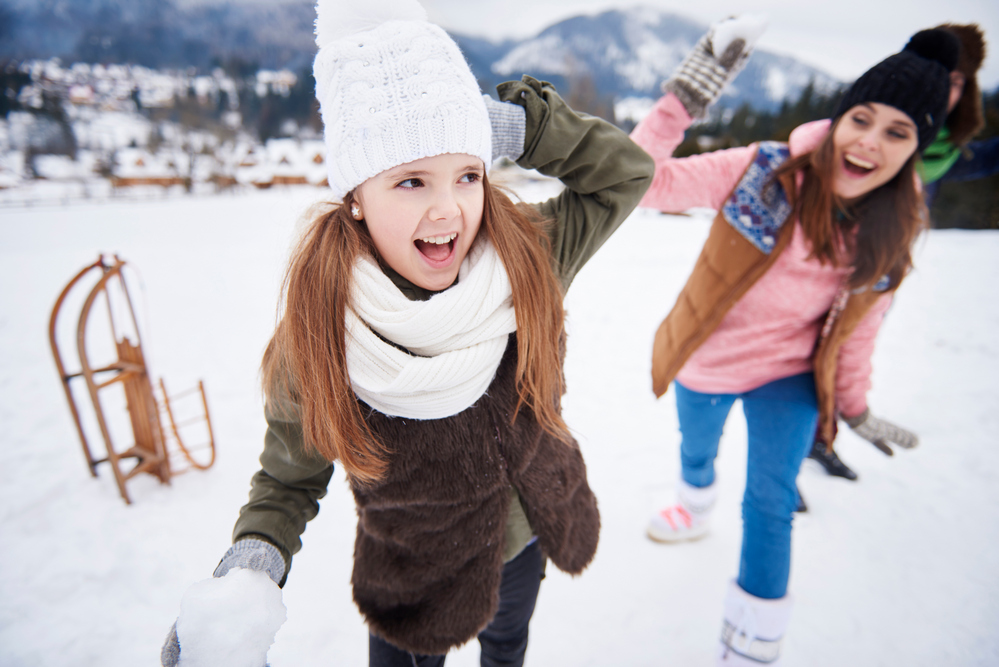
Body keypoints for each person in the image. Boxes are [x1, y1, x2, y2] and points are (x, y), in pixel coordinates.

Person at [159, 1, 654, 665]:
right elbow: (288, 481)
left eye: (467, 174)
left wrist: (514, 125)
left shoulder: (527, 257)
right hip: (413, 572)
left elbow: (624, 173)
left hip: (527, 530)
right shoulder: (321, 331)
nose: (448, 209)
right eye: (411, 180)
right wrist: (248, 574)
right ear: (356, 195)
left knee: (507, 645)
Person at [630, 22, 958, 665]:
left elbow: (861, 329)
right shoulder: (763, 170)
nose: (870, 142)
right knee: (697, 450)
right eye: (861, 119)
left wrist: (854, 405)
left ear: (916, 150)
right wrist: (682, 105)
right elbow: (645, 186)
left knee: (771, 502)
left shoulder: (893, 230)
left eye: (898, 132)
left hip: (791, 375)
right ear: (838, 120)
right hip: (707, 354)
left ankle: (751, 648)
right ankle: (694, 505)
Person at [808, 22, 994, 483]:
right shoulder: (867, 137)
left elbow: (986, 159)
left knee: (845, 357)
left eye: (955, 82)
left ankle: (820, 438)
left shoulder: (941, 151)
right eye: (939, 76)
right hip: (822, 276)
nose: (946, 89)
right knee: (803, 365)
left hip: (878, 279)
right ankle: (785, 462)